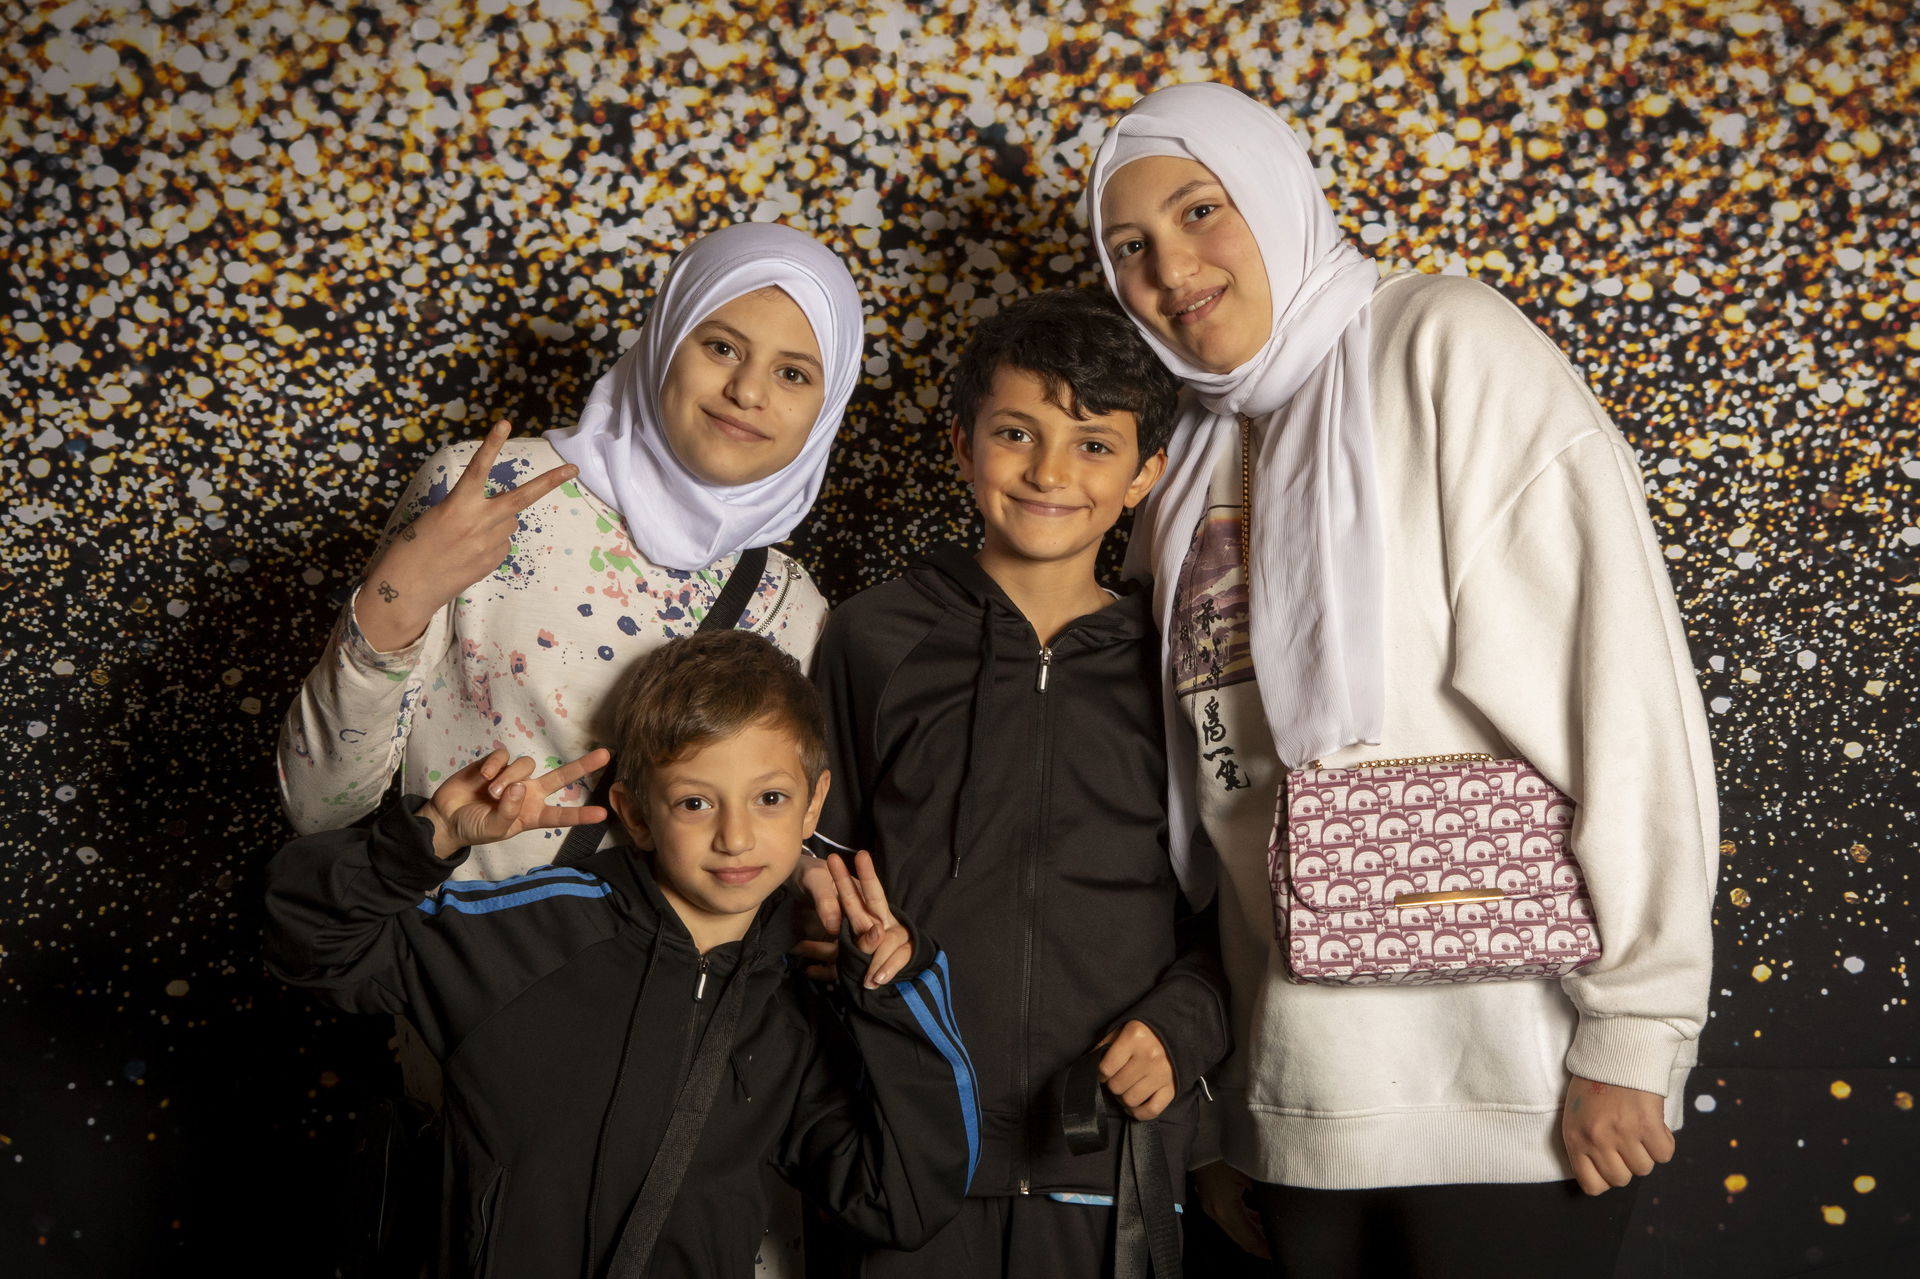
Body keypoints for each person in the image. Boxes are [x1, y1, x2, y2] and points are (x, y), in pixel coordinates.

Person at [1085, 83, 1718, 1278]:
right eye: (1131, 249)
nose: (1171, 267)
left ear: (1278, 198)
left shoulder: (1444, 343)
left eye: (1202, 211)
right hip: (1295, 1102)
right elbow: (1213, 804)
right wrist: (1223, 1106)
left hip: (1515, 1097)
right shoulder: (1179, 470)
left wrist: (1639, 1023)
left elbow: (1619, 691)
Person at [264, 629, 979, 1277]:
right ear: (636, 813)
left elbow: (903, 1204)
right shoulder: (534, 931)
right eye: (695, 803)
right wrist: (426, 839)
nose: (735, 837)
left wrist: (898, 993)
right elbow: (312, 943)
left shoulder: (799, 1003)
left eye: (768, 797)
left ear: (813, 805)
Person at [810, 287, 1232, 1277]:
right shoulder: (874, 637)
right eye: (1016, 433)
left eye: (1093, 443)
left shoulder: (1184, 663)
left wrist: (1184, 1029)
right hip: (907, 1157)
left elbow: (1241, 912)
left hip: (1107, 1160)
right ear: (962, 446)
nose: (1051, 471)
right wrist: (835, 927)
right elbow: (814, 865)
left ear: (1147, 474)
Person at [278, 221, 862, 883]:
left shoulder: (793, 606)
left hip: (625, 984)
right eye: (722, 346)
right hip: (434, 959)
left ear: (829, 402)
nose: (748, 391)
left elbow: (751, 846)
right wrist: (394, 600)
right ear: (666, 338)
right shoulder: (491, 491)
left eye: (794, 373)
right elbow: (319, 807)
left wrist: (810, 879)